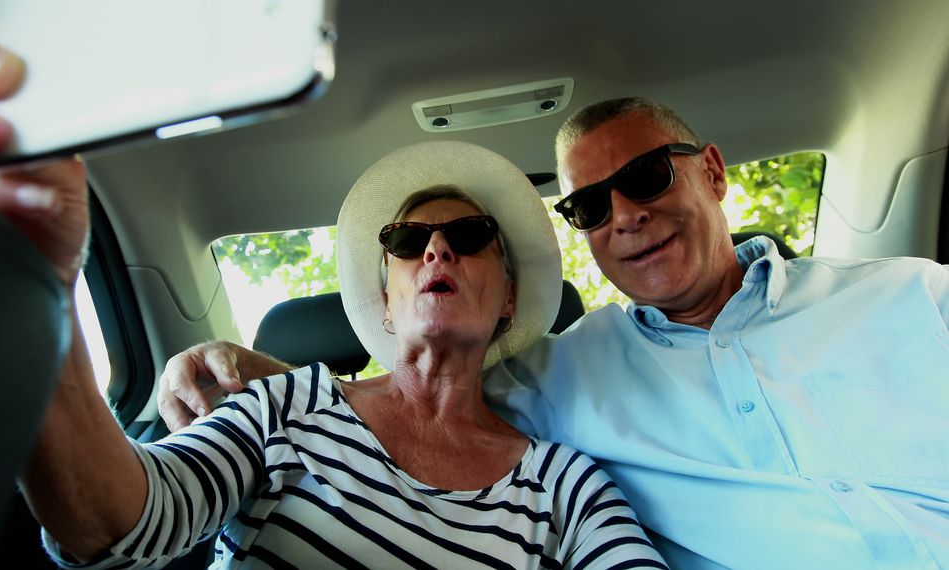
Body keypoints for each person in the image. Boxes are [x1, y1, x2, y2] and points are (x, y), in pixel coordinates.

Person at [0, 31, 669, 568]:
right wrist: (40, 289)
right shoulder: (286, 404)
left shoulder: (562, 484)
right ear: (384, 298)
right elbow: (125, 528)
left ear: (507, 298)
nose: (437, 250)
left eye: (469, 237)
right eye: (408, 243)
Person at [161, 97, 949, 569]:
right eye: (591, 208)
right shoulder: (564, 375)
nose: (626, 217)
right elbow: (417, 400)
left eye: (644, 178)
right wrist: (253, 380)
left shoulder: (915, 292)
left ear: (712, 171)